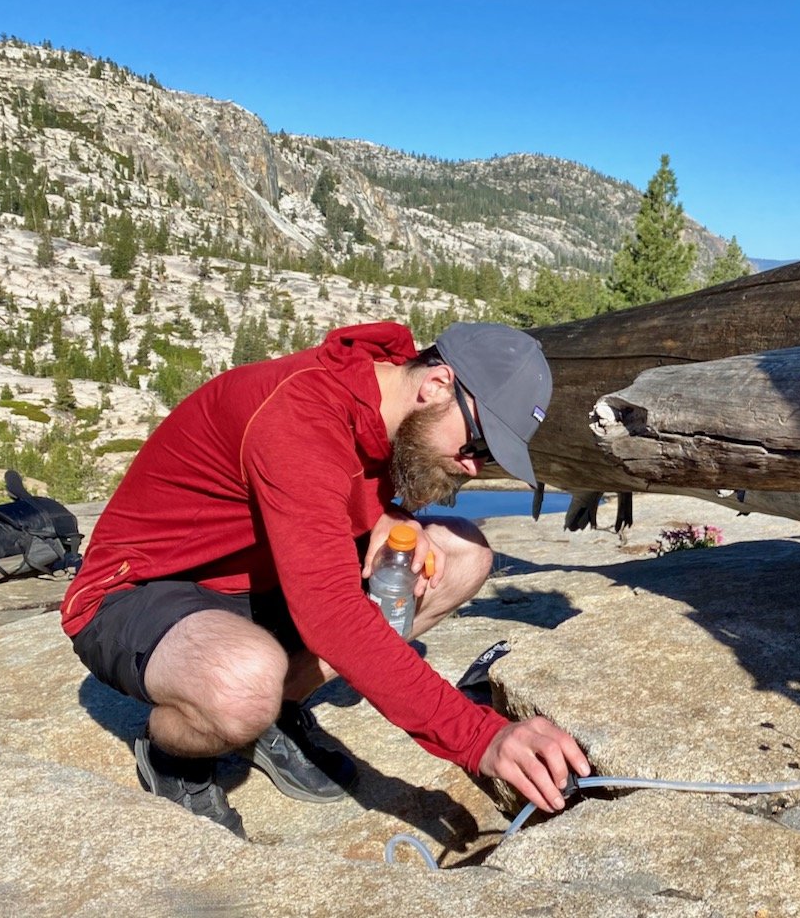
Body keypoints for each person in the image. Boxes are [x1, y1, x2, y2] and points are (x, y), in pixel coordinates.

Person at [61, 320, 589, 837]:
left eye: (490, 457)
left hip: (266, 579)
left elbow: (339, 495)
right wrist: (480, 737)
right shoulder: (299, 417)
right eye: (477, 445)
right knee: (243, 683)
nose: (475, 467)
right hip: (145, 589)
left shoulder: (388, 398)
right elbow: (332, 612)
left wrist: (388, 518)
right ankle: (173, 750)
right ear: (436, 384)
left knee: (462, 555)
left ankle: (272, 711)